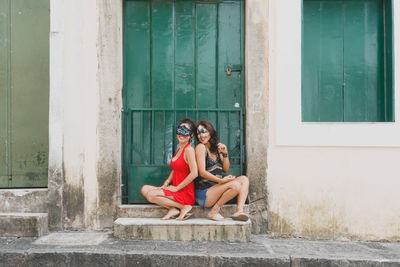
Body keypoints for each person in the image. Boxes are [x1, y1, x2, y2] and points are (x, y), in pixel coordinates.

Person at [140, 118, 197, 220]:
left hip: (184, 192)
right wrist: (166, 184)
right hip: (175, 188)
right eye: (180, 130)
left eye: (186, 131)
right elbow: (175, 168)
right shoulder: (179, 148)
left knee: (151, 195)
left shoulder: (189, 150)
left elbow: (194, 173)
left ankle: (184, 207)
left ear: (191, 135)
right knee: (145, 189)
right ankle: (173, 208)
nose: (182, 134)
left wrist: (176, 188)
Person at [194, 120, 249, 221]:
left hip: (217, 188)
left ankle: (239, 211)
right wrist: (221, 181)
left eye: (204, 132)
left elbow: (226, 168)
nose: (201, 135)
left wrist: (225, 152)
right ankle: (213, 211)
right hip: (204, 193)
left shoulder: (216, 148)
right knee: (235, 185)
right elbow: (202, 172)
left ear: (210, 132)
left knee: (244, 179)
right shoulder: (200, 147)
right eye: (198, 133)